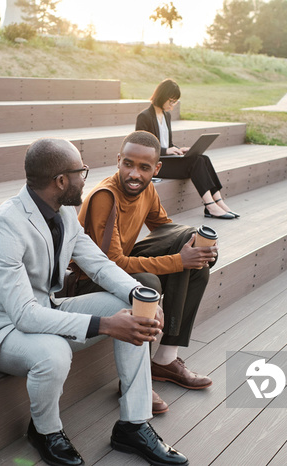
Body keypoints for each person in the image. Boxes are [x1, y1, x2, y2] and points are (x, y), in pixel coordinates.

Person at [0, 138, 189, 466]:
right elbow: (24, 316)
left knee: (132, 313)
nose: (86, 178)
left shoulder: (64, 211)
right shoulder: (2, 228)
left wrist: (139, 296)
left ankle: (133, 424)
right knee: (55, 354)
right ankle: (45, 432)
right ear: (61, 181)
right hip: (2, 330)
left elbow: (98, 264)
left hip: (47, 308)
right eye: (81, 171)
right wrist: (106, 325)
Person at [77, 131, 218, 409]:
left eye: (144, 167)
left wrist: (200, 250)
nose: (134, 173)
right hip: (88, 280)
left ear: (157, 169)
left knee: (195, 261)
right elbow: (112, 264)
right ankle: (134, 379)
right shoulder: (104, 197)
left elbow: (168, 232)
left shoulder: (146, 189)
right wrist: (179, 260)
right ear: (118, 161)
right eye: (128, 164)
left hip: (119, 268)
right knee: (148, 283)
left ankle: (164, 360)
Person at [136, 78, 238, 219]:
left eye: (174, 102)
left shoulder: (166, 115)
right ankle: (210, 206)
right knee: (196, 162)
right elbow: (141, 148)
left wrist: (178, 149)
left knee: (203, 158)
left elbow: (168, 143)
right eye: (171, 101)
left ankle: (218, 201)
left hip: (167, 159)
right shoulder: (144, 117)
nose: (172, 105)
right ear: (162, 96)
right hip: (154, 165)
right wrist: (166, 151)